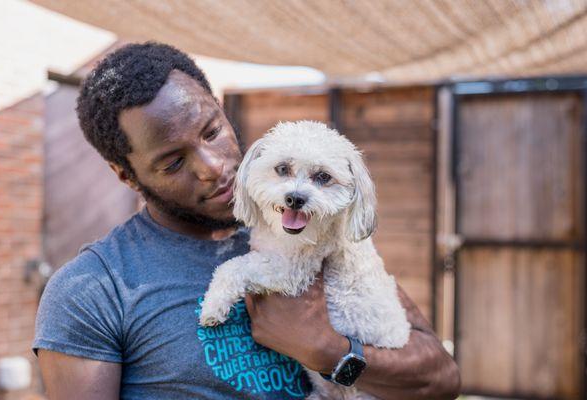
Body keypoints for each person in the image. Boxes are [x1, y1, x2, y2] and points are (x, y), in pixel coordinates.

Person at [33, 42, 460, 400]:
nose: (214, 167)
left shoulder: (313, 226)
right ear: (126, 175)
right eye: (174, 161)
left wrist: (330, 351)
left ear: (220, 108)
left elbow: (442, 379)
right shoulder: (92, 290)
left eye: (211, 131)